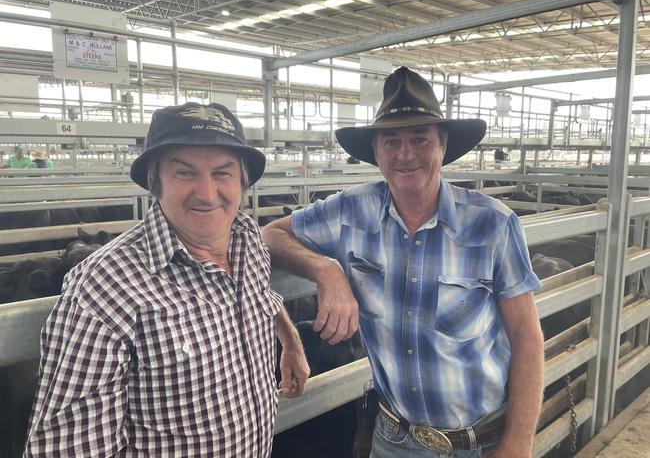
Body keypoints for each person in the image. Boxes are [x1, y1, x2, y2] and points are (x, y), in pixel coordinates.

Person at [262, 67, 544, 457]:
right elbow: (270, 234)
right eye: (391, 141)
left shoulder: (492, 223)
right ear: (376, 152)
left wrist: (518, 443)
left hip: (482, 440)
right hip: (396, 438)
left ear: (443, 146)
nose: (405, 154)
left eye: (420, 139)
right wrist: (327, 269)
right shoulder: (349, 211)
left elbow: (527, 338)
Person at [24, 102, 310, 457]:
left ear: (243, 181)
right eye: (185, 173)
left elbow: (258, 292)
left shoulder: (247, 238)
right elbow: (67, 450)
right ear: (154, 181)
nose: (206, 193)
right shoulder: (104, 288)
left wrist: (290, 337)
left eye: (223, 173)